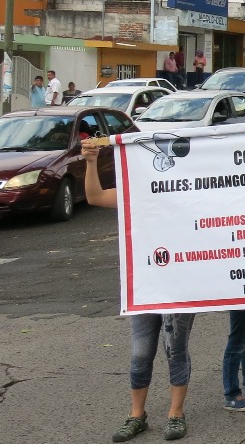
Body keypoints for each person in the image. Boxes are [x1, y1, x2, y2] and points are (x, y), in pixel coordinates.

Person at [82, 141, 194, 442]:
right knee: (140, 354)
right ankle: (137, 415)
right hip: (143, 288)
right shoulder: (136, 194)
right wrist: (91, 162)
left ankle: (175, 413)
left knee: (176, 350)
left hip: (178, 287)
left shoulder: (188, 195)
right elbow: (94, 197)